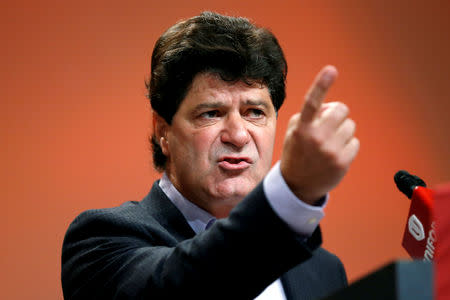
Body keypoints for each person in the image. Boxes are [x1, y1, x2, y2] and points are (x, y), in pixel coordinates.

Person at [61, 11, 359, 300]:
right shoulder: (102, 242)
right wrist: (290, 194)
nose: (238, 135)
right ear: (163, 131)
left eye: (254, 112)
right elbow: (188, 286)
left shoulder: (323, 269)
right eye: (212, 113)